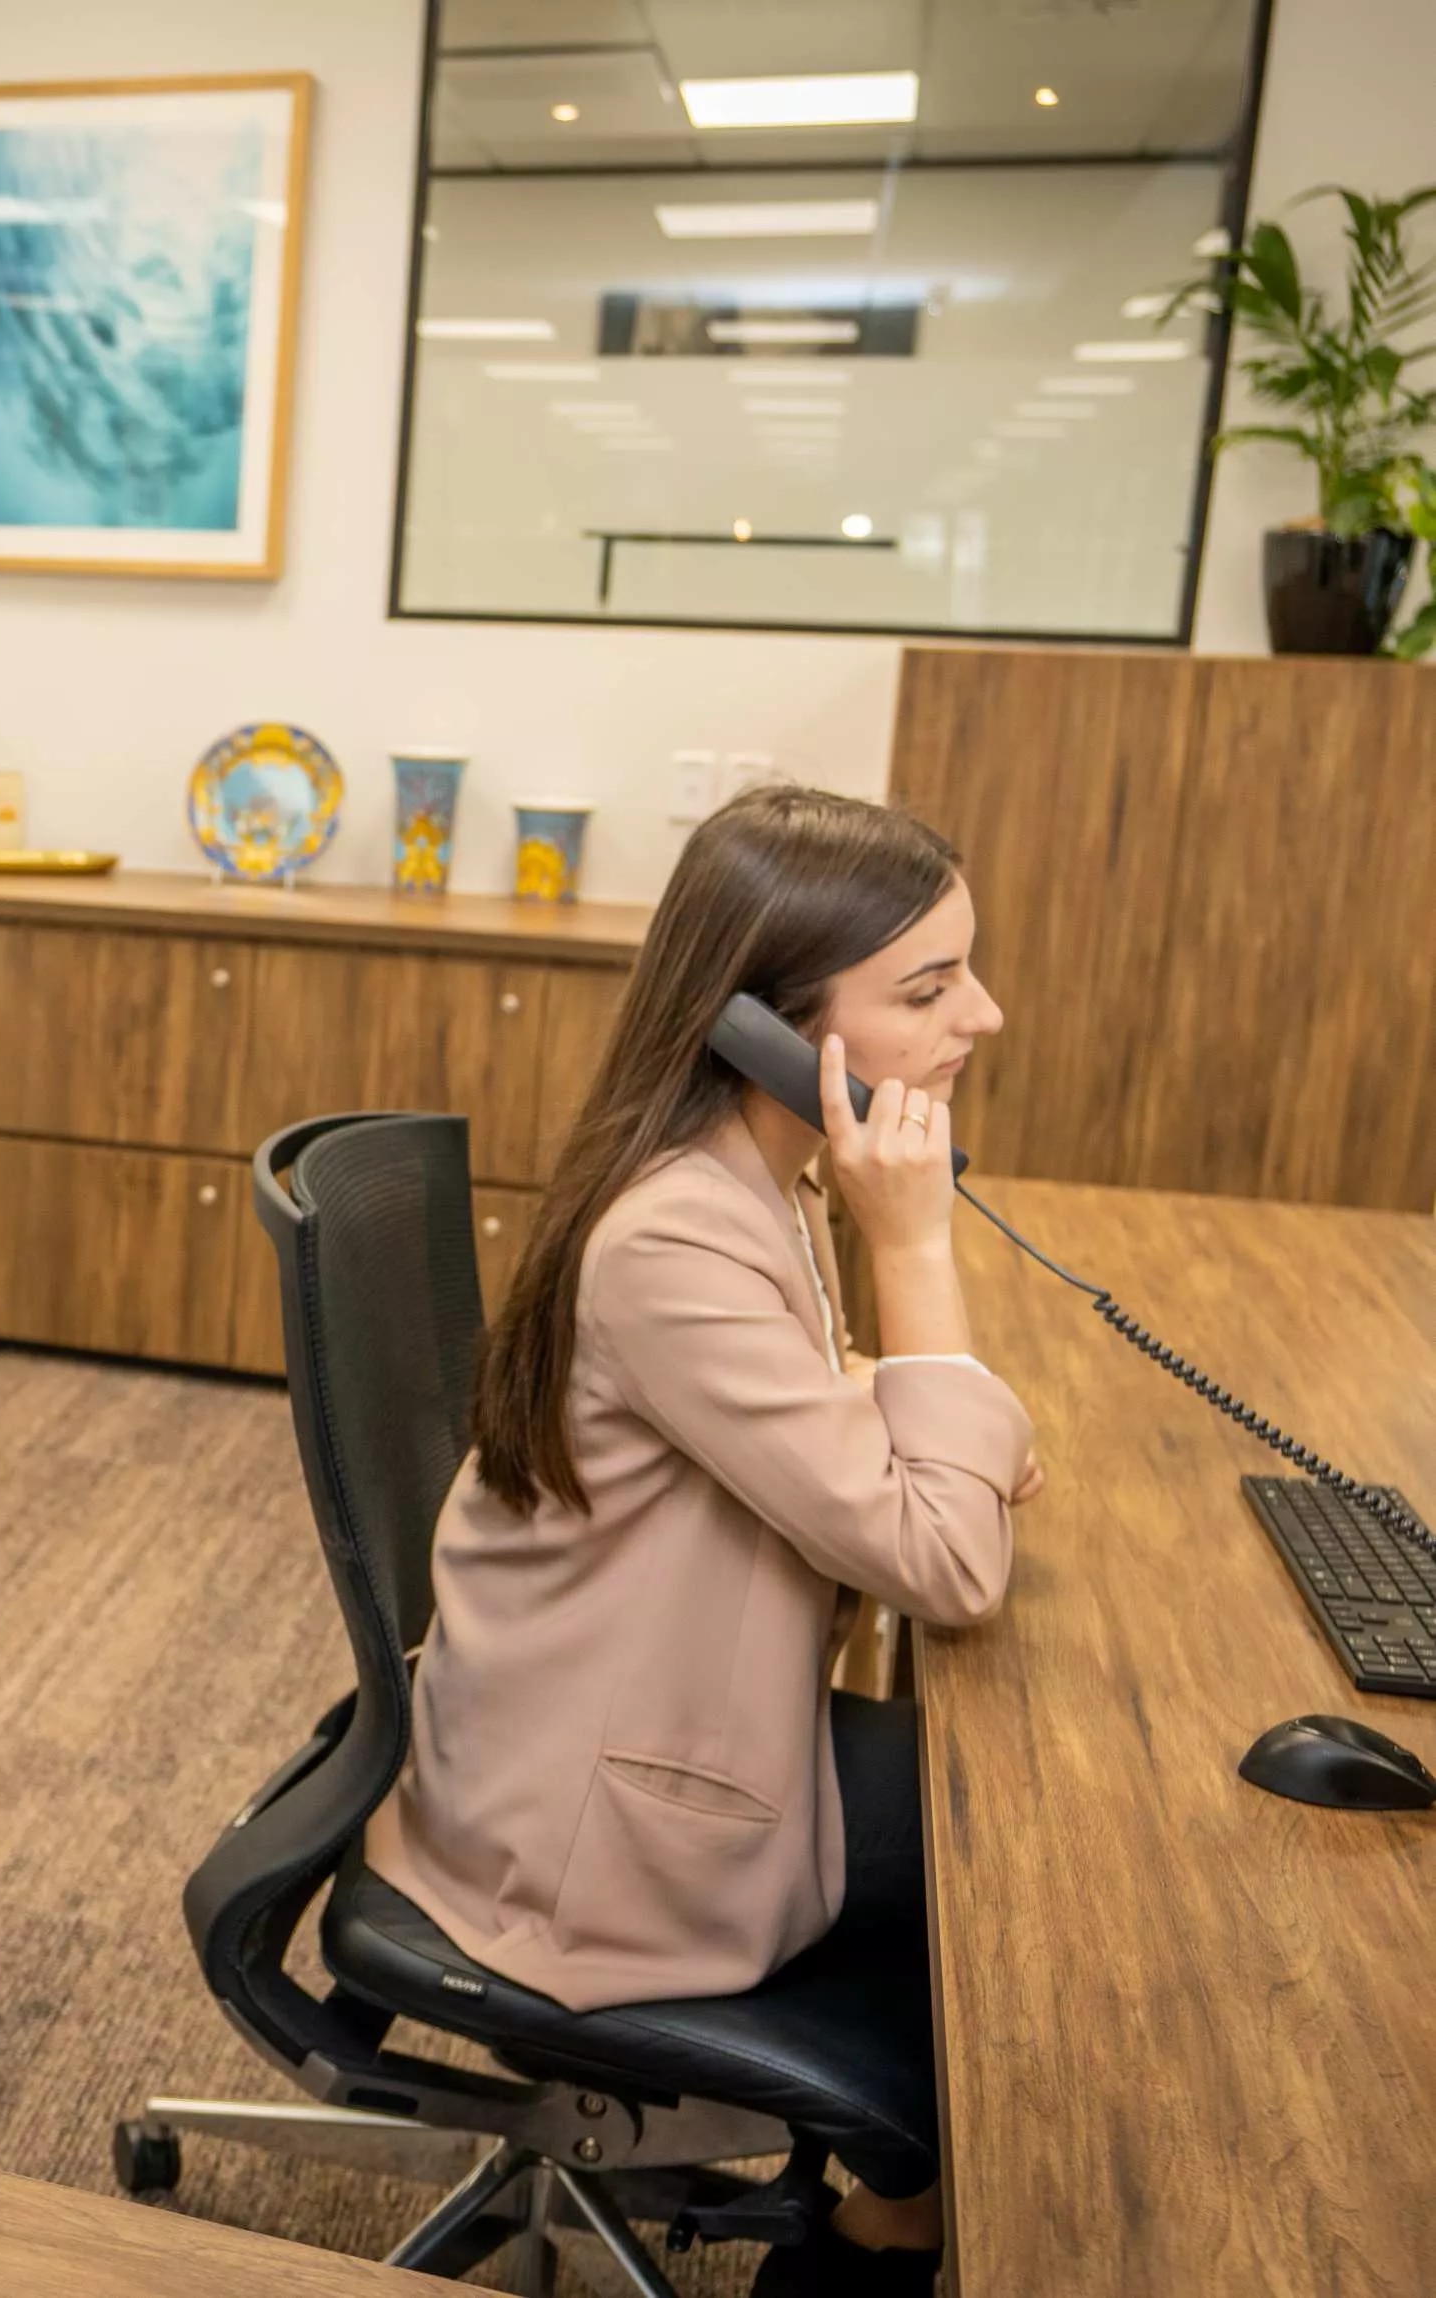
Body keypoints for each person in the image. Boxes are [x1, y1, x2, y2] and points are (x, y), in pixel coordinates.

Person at [367, 786, 1035, 2295]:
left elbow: (878, 1436)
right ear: (763, 1023)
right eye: (925, 988)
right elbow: (946, 1557)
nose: (979, 1015)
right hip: (586, 1842)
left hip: (599, 1728)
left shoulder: (754, 1175)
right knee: (1009, 1928)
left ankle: (889, 2207)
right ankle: (882, 2229)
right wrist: (916, 1253)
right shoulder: (678, 1234)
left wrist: (933, 1414)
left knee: (998, 1854)